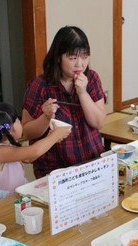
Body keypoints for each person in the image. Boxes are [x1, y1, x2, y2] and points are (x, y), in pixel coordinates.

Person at [22, 26, 107, 178]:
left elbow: (99, 122)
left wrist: (82, 92)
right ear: (58, 57)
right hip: (54, 169)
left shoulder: (92, 78)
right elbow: (27, 132)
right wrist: (46, 117)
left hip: (92, 162)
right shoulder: (40, 85)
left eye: (85, 56)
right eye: (73, 58)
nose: (80, 64)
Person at [0, 102, 71, 205]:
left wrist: (50, 139)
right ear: (9, 129)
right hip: (2, 202)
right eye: (18, 120)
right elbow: (34, 151)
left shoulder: (9, 145)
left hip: (16, 196)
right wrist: (55, 135)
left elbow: (28, 158)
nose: (20, 122)